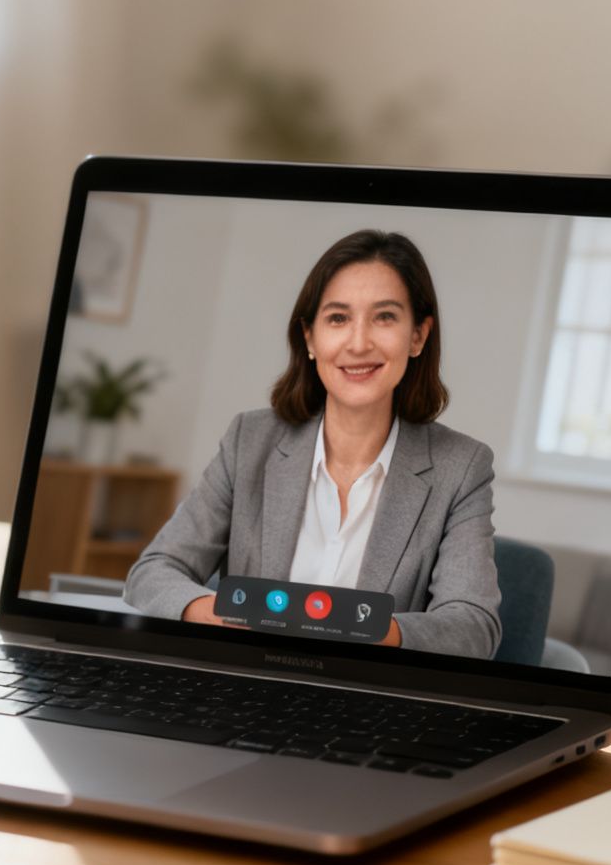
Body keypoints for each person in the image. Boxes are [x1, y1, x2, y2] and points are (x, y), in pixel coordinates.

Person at [123, 229, 501, 658]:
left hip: (367, 701)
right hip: (247, 686)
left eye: (385, 317)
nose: (359, 343)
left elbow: (473, 627)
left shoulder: (462, 466)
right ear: (309, 338)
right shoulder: (250, 440)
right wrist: (207, 612)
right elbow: (153, 572)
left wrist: (362, 631)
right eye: (338, 318)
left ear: (418, 336)